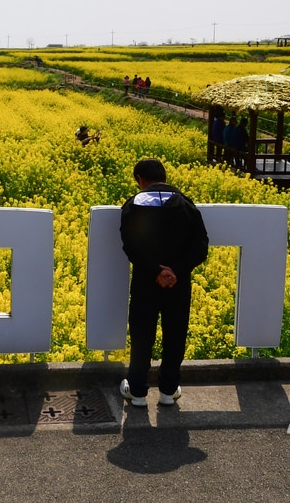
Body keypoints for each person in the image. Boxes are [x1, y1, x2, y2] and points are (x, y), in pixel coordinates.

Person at [118, 158, 210, 408]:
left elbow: (131, 245)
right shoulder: (187, 205)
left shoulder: (133, 205)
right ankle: (168, 391)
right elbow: (201, 246)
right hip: (177, 284)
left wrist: (154, 271)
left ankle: (137, 392)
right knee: (175, 334)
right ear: (165, 177)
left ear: (140, 180)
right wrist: (176, 270)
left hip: (145, 283)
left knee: (141, 334)